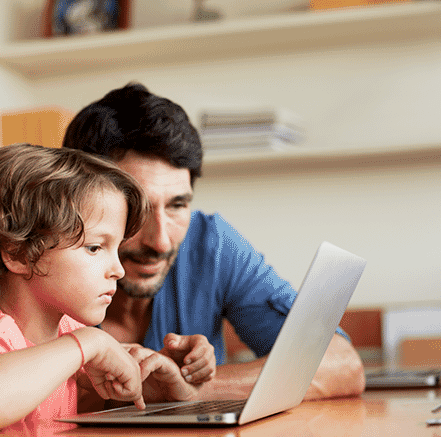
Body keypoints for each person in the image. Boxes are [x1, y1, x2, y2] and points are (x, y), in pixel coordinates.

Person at [63, 83, 366, 400]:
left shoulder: (210, 245)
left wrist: (184, 388)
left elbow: (341, 364)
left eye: (177, 205)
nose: (161, 241)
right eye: (135, 209)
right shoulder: (43, 261)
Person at [0, 144, 215, 437]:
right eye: (95, 247)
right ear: (19, 253)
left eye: (116, 248)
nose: (117, 270)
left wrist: (158, 389)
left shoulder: (65, 333)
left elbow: (94, 404)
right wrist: (88, 342)